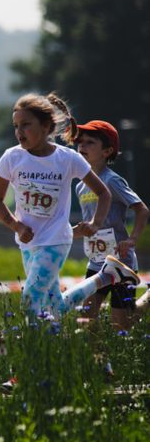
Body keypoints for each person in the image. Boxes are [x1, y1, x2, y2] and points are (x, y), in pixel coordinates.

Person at [0, 93, 139, 320]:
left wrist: (95, 223)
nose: (19, 131)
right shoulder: (12, 157)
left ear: (46, 126)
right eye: (16, 126)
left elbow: (103, 193)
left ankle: (32, 350)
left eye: (26, 125)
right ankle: (106, 276)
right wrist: (16, 226)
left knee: (30, 298)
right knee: (54, 308)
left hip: (56, 240)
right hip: (28, 242)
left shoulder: (67, 159)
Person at [65, 120, 147, 330]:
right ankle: (99, 362)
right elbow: (91, 227)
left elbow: (142, 210)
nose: (82, 146)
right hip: (96, 262)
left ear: (107, 151)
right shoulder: (81, 186)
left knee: (122, 324)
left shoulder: (112, 181)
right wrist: (71, 234)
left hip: (121, 262)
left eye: (90, 142)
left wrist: (132, 240)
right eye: (80, 142)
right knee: (85, 318)